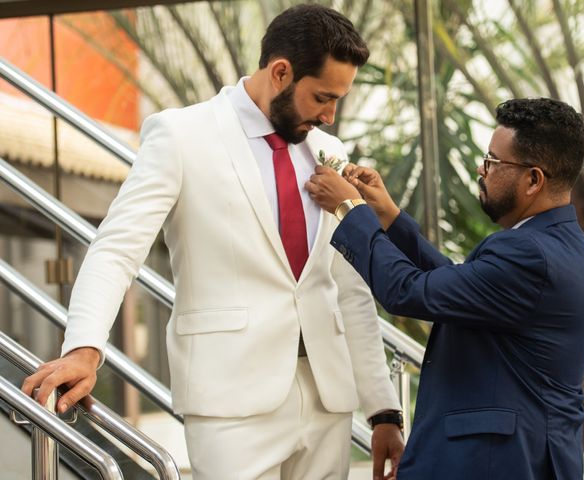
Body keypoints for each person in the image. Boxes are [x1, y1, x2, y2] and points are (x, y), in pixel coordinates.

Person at [22, 4, 404, 479]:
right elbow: (118, 248)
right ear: (280, 72)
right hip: (232, 399)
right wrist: (84, 348)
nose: (330, 115)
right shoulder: (182, 135)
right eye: (322, 97)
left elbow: (348, 286)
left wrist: (382, 410)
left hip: (327, 397)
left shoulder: (330, 151)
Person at [306, 97, 584, 479]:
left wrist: (350, 210)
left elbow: (408, 291)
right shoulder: (555, 244)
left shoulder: (531, 255)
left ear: (533, 179)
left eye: (493, 162)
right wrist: (389, 216)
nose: (482, 168)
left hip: (496, 464)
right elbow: (457, 286)